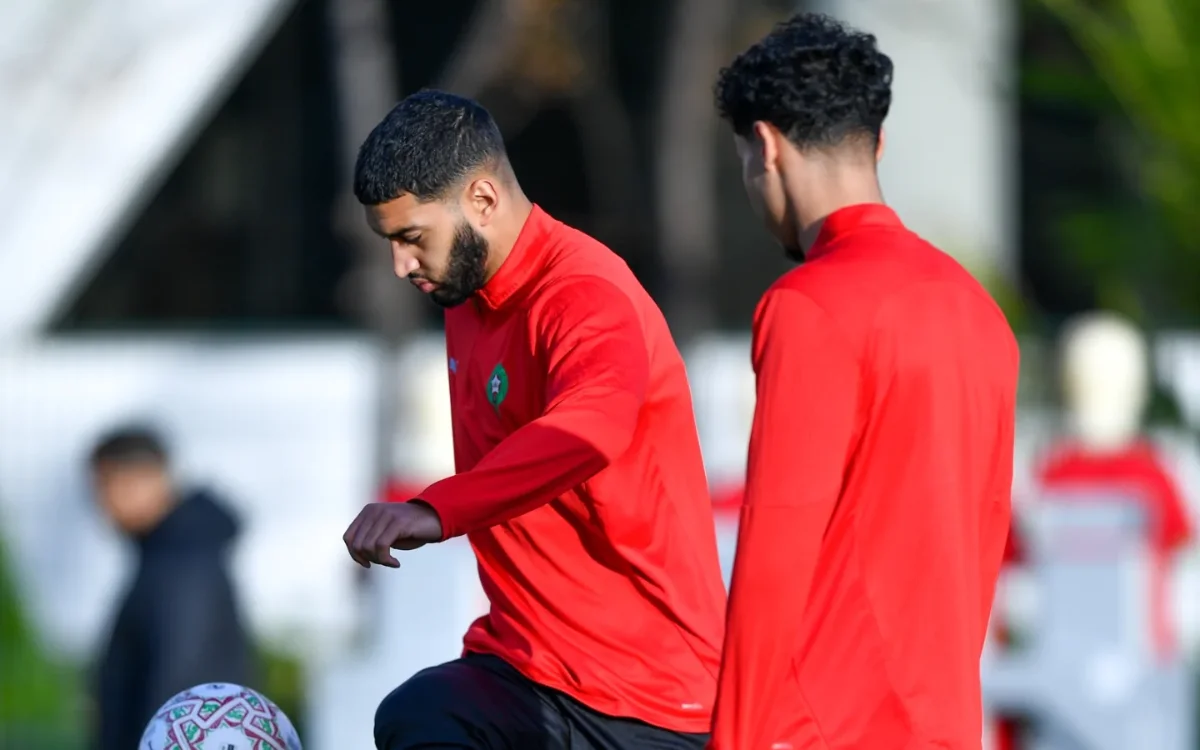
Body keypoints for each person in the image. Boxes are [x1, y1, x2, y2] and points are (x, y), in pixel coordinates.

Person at [342, 90, 726, 750]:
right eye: (390, 243)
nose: (401, 265)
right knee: (421, 715)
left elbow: (591, 430)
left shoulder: (585, 293)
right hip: (527, 665)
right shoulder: (464, 296)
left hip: (652, 696)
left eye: (412, 238)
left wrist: (437, 509)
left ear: (482, 199)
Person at [708, 14, 1020, 750]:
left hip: (817, 728)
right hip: (944, 725)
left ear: (766, 147)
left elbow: (774, 551)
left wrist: (734, 739)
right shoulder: (980, 312)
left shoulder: (807, 306)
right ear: (877, 143)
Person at [89, 425, 253, 750]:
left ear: (146, 478)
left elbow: (178, 680)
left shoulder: (183, 560)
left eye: (106, 484)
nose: (101, 503)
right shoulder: (165, 554)